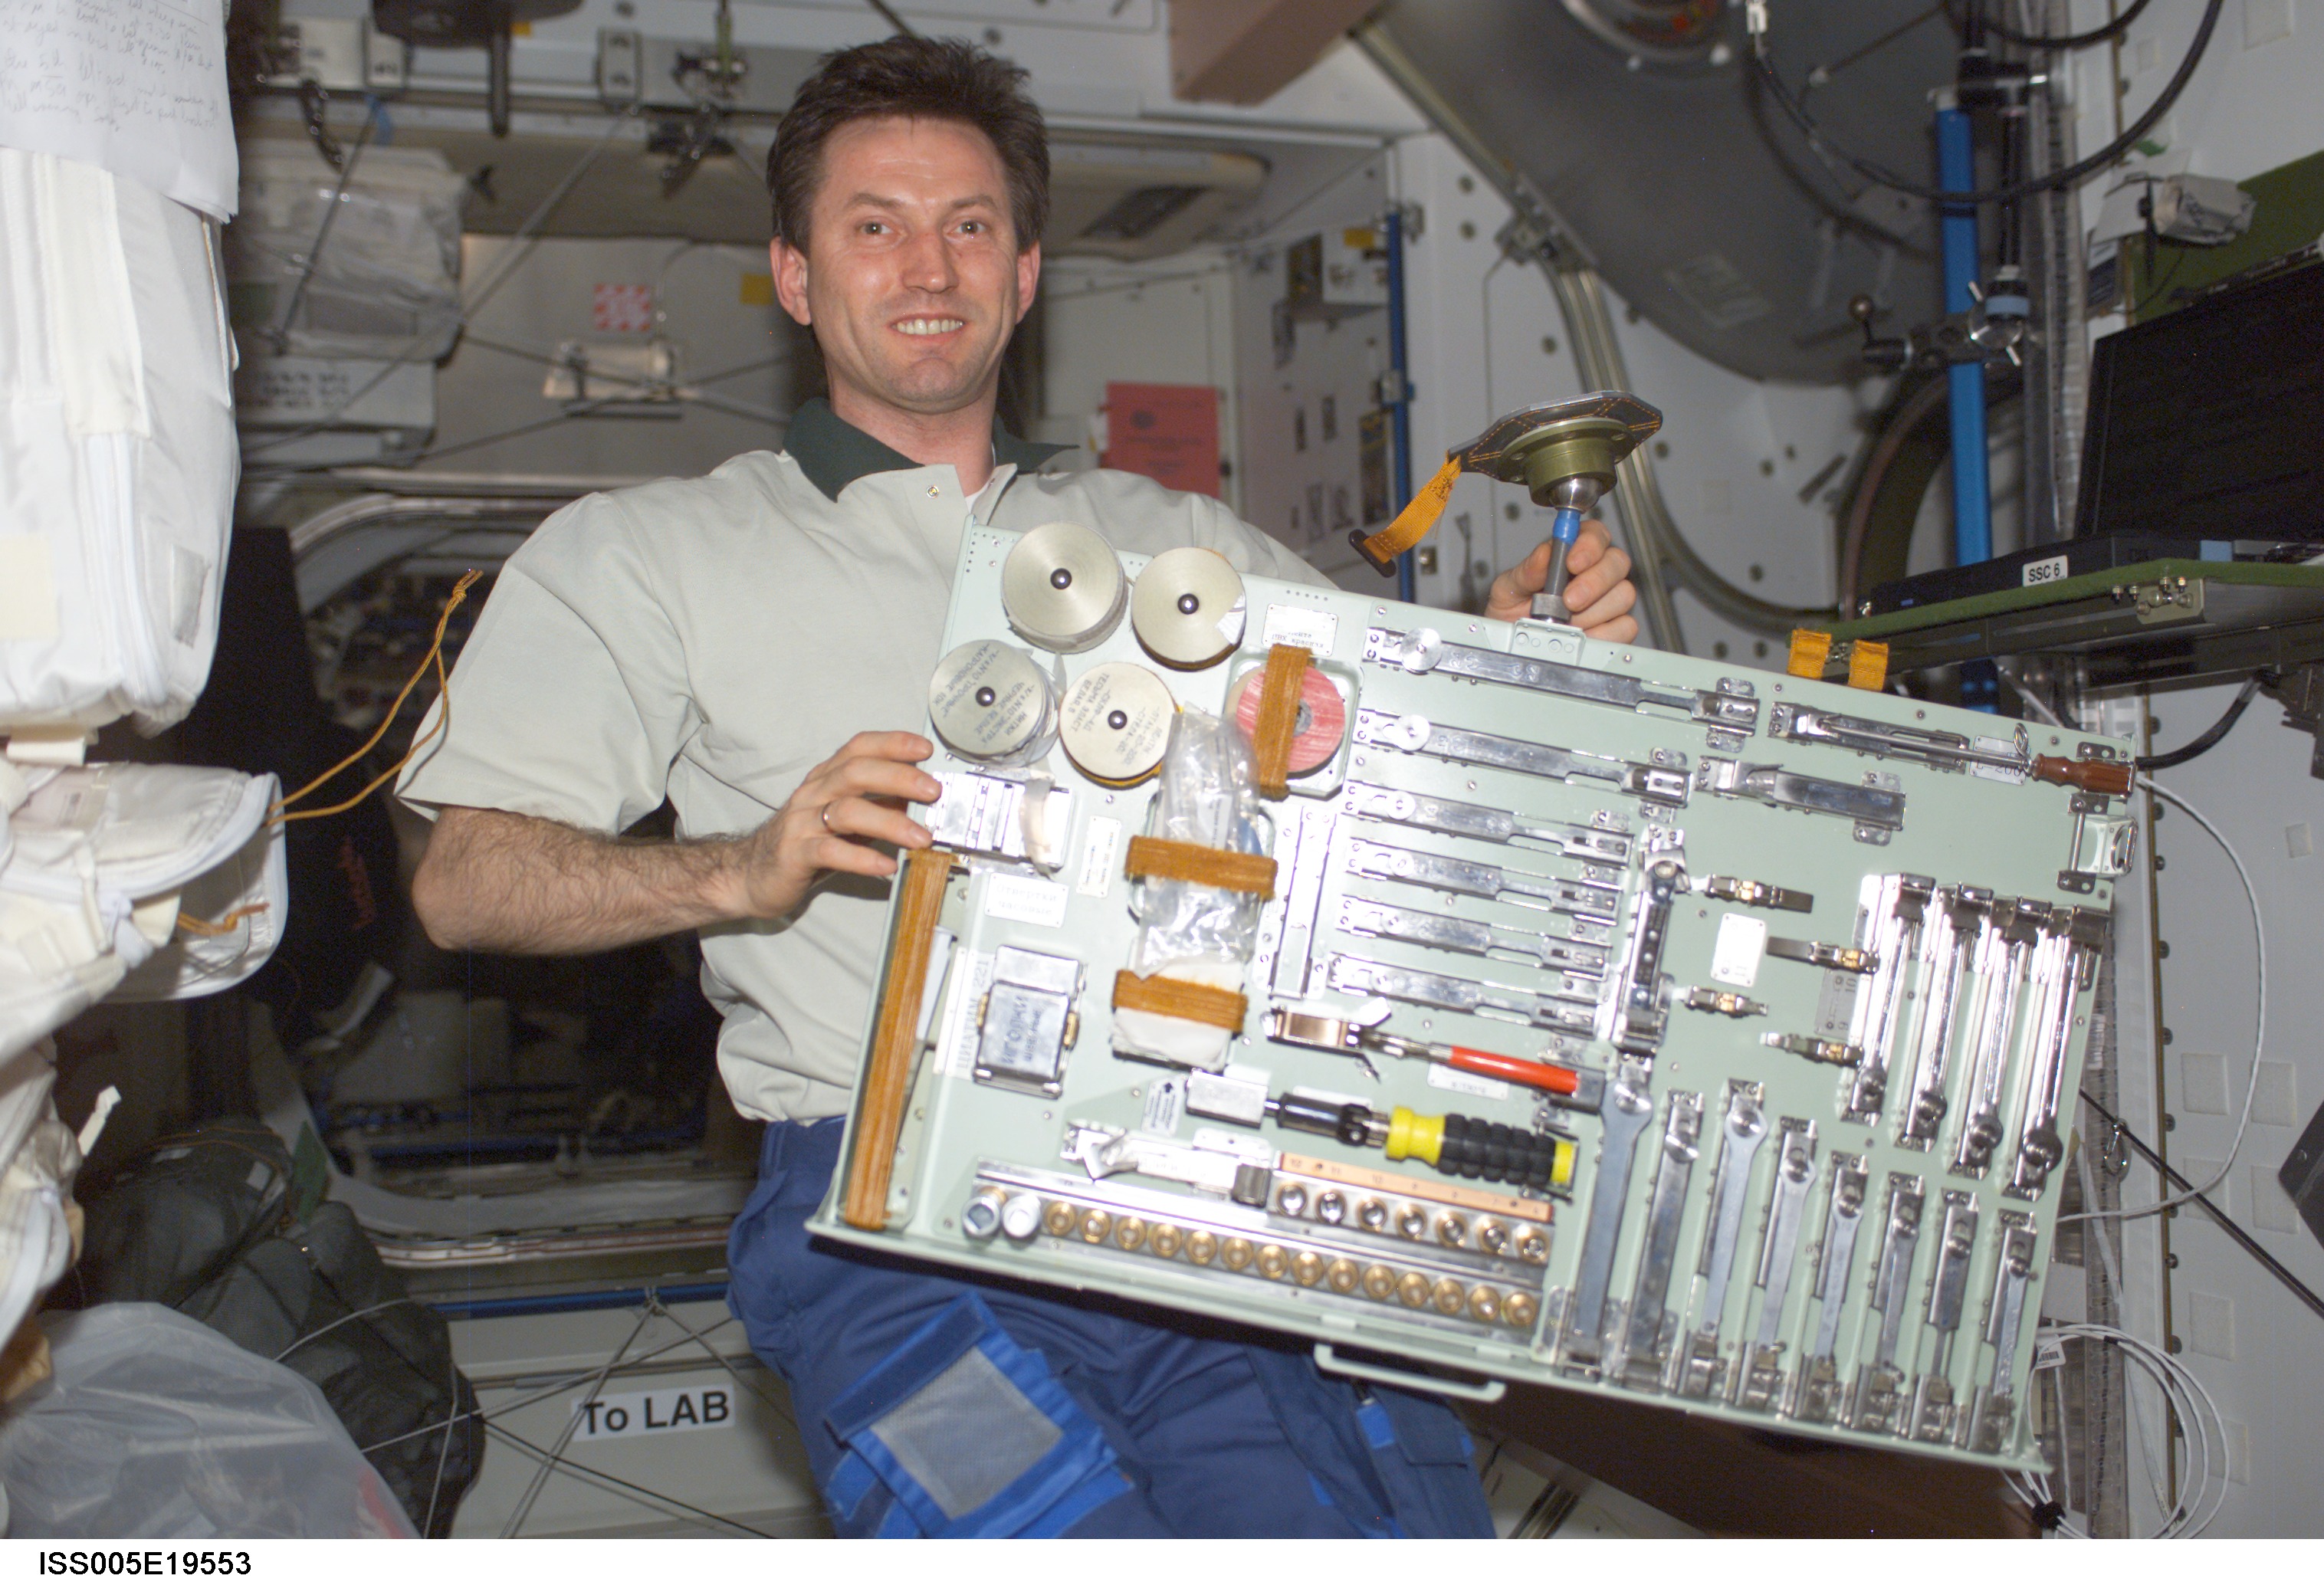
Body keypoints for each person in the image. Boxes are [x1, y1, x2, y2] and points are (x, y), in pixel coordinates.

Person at [402, 34, 1639, 1538]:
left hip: (1202, 1198)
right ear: (795, 275)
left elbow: (1366, 786)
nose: (928, 266)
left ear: (1025, 270)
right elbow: (464, 882)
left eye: (969, 224)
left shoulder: (1180, 541)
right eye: (874, 224)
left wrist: (1505, 660)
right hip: (882, 1233)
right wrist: (740, 866)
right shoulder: (652, 554)